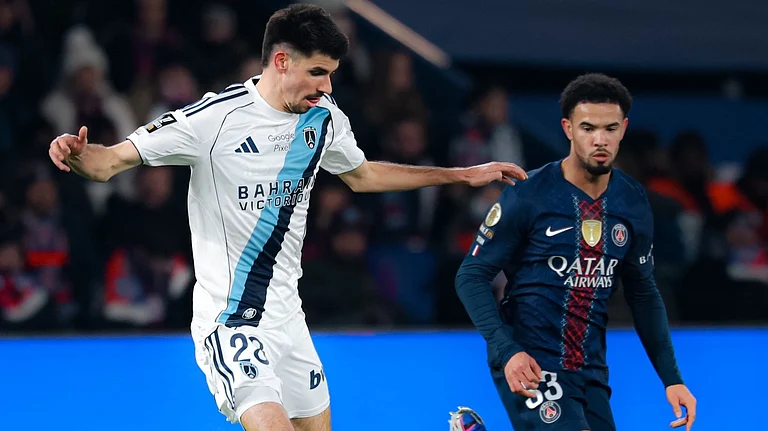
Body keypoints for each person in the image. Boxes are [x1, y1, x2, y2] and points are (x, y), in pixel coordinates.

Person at [47, 4, 526, 431]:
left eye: (332, 74)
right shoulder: (213, 120)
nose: (328, 86)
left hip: (288, 319)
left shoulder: (323, 118)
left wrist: (461, 174)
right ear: (281, 61)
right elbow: (108, 162)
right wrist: (75, 153)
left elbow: (363, 175)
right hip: (230, 320)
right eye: (318, 72)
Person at [455, 73, 697, 431]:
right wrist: (507, 350)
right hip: (530, 356)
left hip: (590, 368)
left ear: (624, 129)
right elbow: (471, 276)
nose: (600, 140)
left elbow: (643, 293)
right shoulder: (529, 194)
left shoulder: (632, 201)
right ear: (568, 128)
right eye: (587, 128)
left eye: (610, 129)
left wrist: (672, 378)